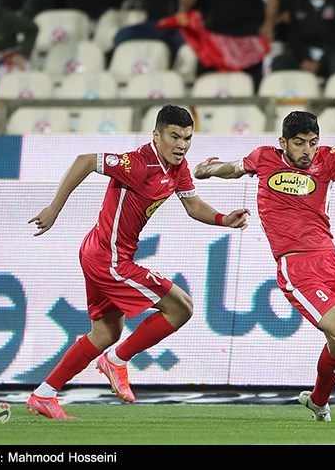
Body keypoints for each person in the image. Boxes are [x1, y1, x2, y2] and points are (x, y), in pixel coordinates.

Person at [25, 105, 250, 420]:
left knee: (104, 332)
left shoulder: (177, 167)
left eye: (187, 138)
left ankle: (43, 395)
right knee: (181, 307)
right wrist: (54, 208)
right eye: (174, 136)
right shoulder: (137, 163)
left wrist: (224, 218)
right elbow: (85, 161)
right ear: (156, 135)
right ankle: (116, 360)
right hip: (109, 259)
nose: (182, 144)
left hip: (101, 252)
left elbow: (193, 205)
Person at [193, 100, 335, 421]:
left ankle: (318, 401)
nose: (307, 150)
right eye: (300, 143)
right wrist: (206, 170)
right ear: (284, 143)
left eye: (313, 142)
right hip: (297, 267)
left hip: (331, 261)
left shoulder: (329, 159)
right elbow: (233, 169)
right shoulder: (263, 157)